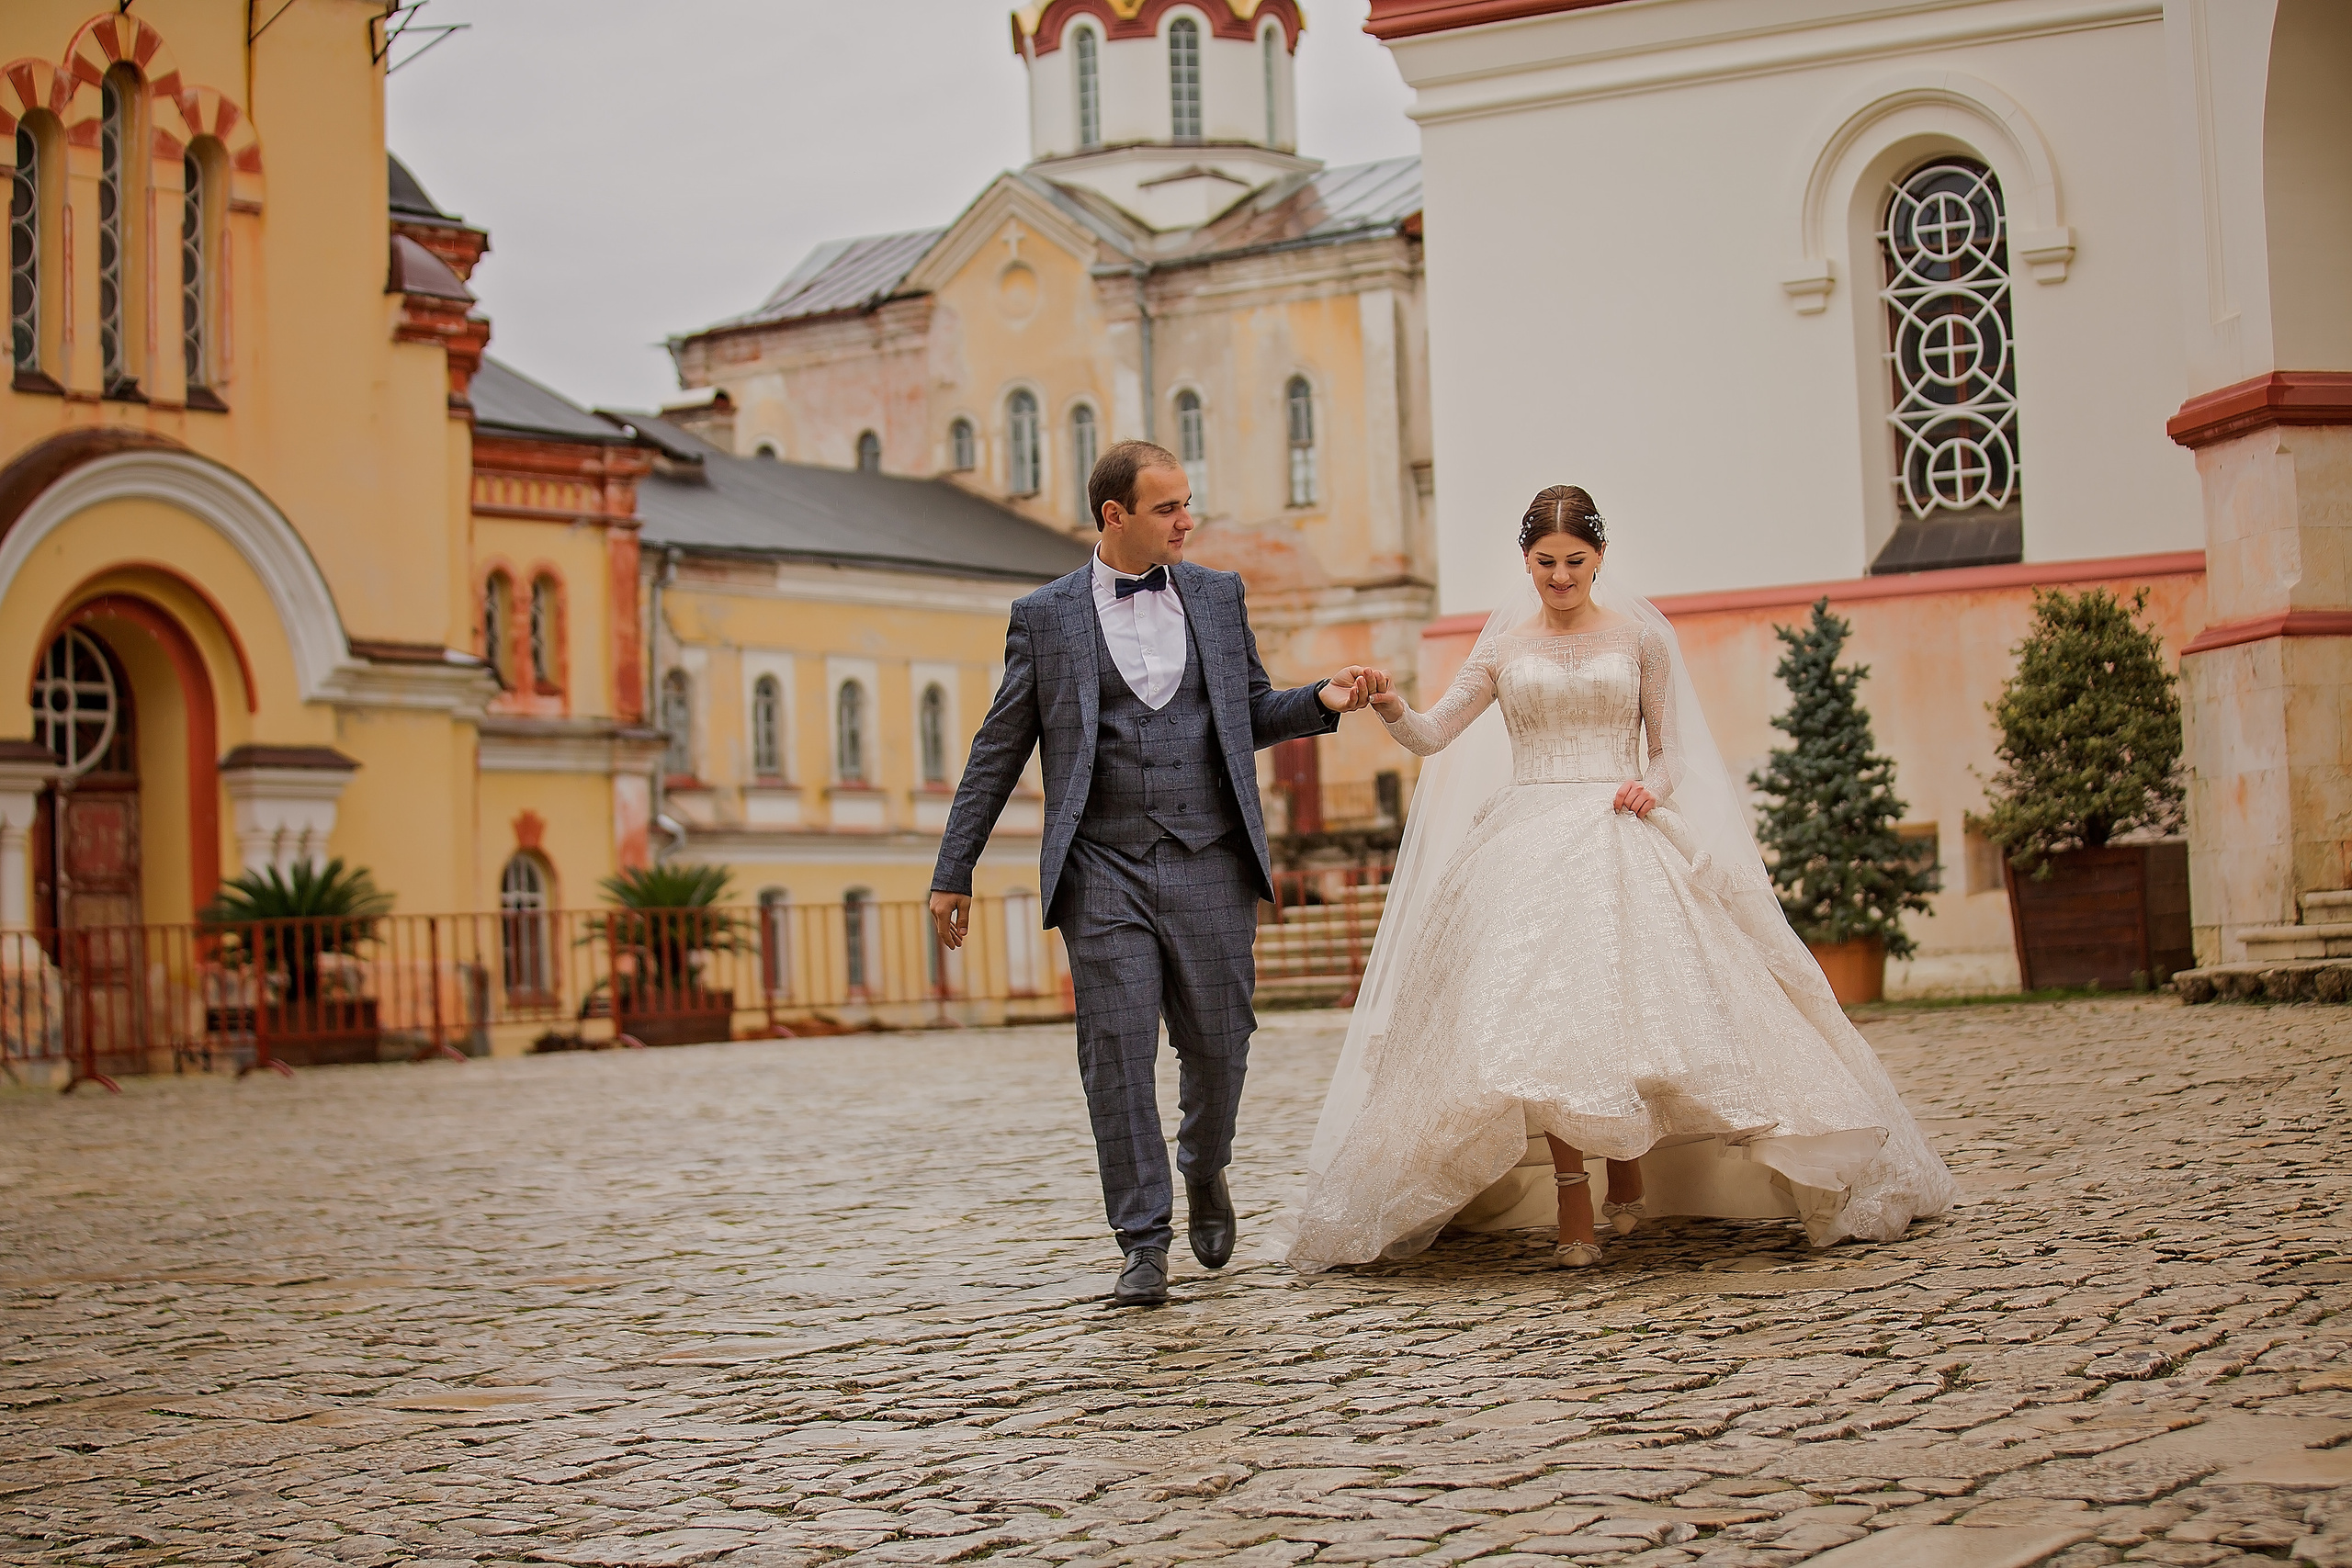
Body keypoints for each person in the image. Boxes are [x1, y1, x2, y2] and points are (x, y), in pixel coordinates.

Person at [1279, 486, 1954, 1270]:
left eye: (1574, 562)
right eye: (1544, 563)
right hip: (1525, 841)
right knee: (1550, 1019)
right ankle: (1576, 1196)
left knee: (1629, 1011)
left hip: (1618, 825)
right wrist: (1392, 703)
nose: (1560, 578)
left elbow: (1668, 753)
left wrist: (1651, 789)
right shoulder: (1501, 649)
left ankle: (1627, 1170)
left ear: (1600, 557)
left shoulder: (1640, 639)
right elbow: (1432, 735)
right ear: (1524, 561)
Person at [930, 440, 1375, 1306]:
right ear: (1115, 516)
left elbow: (1245, 713)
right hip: (1102, 865)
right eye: (1169, 507)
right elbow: (999, 748)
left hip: (1210, 856)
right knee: (1118, 1053)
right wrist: (957, 867)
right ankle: (1142, 1240)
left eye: (1187, 504)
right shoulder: (1045, 616)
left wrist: (1317, 700)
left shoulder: (1216, 594)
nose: (1187, 520)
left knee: (1220, 1044)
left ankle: (1204, 1166)